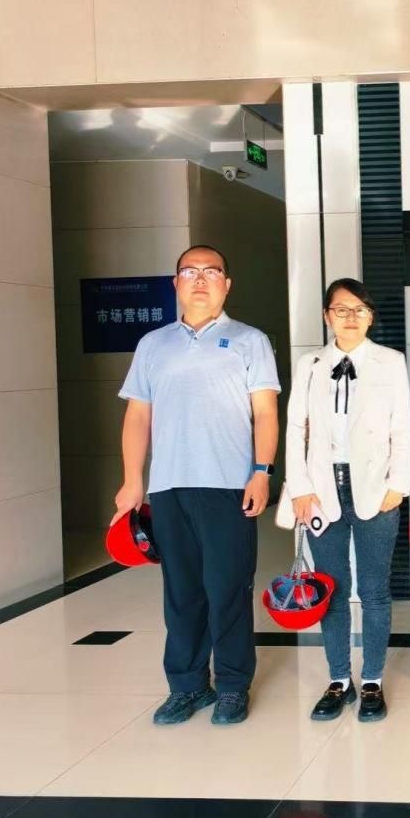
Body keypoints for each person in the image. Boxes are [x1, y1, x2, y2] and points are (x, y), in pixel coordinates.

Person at [113, 244, 281, 726]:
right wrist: (132, 480)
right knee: (182, 592)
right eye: (191, 272)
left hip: (229, 485)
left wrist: (262, 472)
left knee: (228, 588)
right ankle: (187, 686)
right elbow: (137, 416)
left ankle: (231, 686)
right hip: (169, 487)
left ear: (227, 284)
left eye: (212, 272)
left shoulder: (249, 340)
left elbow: (265, 412)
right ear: (176, 283)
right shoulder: (153, 344)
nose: (201, 279)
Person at [284, 278, 410, 723]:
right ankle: (339, 678)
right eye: (341, 309)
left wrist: (399, 484)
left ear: (371, 316)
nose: (351, 317)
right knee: (331, 587)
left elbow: (402, 427)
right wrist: (300, 487)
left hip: (376, 488)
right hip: (322, 489)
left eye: (360, 309)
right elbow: (295, 428)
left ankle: (372, 678)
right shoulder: (310, 364)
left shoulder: (390, 361)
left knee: (374, 590)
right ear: (327, 316)